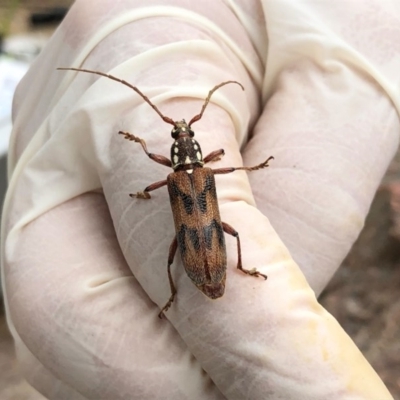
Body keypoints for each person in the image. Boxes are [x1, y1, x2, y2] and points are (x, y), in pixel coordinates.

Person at [2, 0, 398, 398]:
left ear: (180, 148)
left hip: (199, 247)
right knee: (221, 238)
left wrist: (145, 181)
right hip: (205, 246)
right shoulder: (203, 173)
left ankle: (180, 291)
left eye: (182, 134)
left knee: (184, 248)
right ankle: (191, 286)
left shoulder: (173, 180)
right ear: (187, 146)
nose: (181, 134)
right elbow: (220, 167)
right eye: (179, 135)